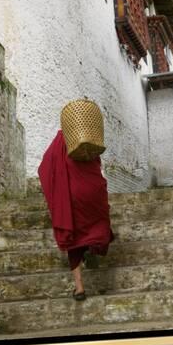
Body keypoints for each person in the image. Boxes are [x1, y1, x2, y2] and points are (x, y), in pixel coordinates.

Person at [38, 129, 114, 301]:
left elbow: (44, 168)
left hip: (72, 195)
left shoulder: (60, 139)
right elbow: (97, 164)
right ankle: (93, 247)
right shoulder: (89, 139)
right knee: (98, 222)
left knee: (73, 237)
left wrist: (55, 190)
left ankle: (79, 288)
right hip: (93, 190)